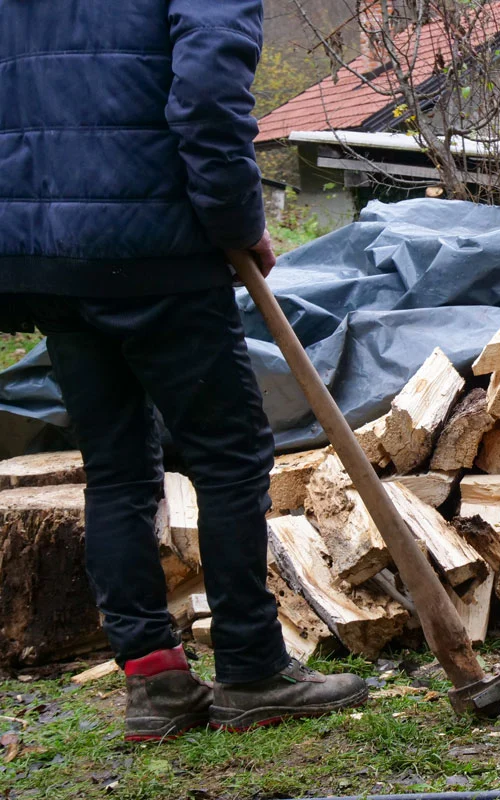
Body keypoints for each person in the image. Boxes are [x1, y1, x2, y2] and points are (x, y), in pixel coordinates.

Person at [0, 0, 367, 740]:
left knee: (117, 470)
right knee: (229, 458)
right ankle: (252, 668)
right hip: (155, 246)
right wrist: (236, 221)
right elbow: (207, 95)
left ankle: (156, 684)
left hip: (50, 252)